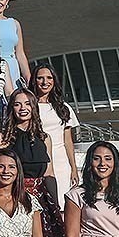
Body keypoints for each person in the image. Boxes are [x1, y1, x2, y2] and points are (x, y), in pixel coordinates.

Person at [0, 89, 66, 237]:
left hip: (40, 190)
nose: (23, 108)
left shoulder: (44, 138)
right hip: (15, 192)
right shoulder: (3, 137)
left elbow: (49, 172)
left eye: (27, 104)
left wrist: (55, 203)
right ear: (12, 108)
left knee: (48, 224)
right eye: (18, 104)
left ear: (34, 108)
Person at [34, 65, 80, 207]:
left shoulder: (64, 108)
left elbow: (68, 140)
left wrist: (73, 168)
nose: (44, 82)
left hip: (61, 162)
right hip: (37, 160)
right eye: (40, 78)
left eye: (49, 78)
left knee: (61, 202)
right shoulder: (29, 106)